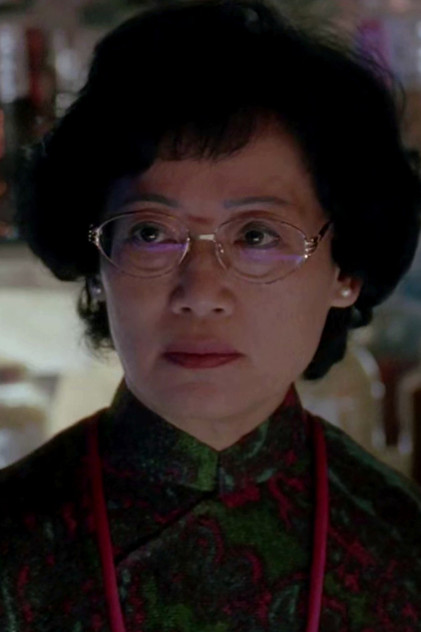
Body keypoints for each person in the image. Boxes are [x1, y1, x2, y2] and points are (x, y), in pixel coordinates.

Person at [1, 0, 421, 630]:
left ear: (346, 272)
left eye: (256, 236)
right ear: (97, 267)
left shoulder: (402, 551)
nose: (200, 292)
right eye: (149, 232)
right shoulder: (14, 542)